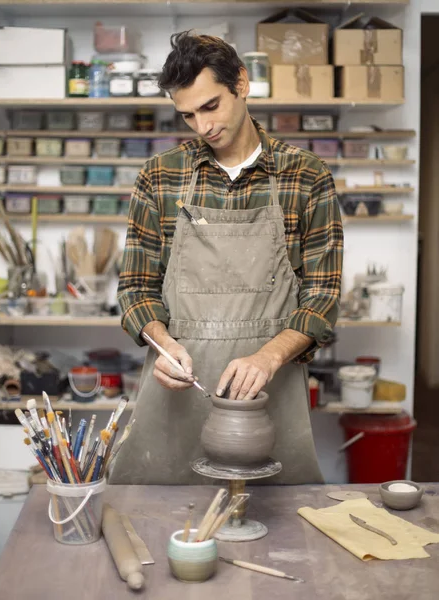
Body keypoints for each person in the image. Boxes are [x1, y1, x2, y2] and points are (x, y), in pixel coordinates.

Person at [109, 32, 343, 485]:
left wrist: (269, 357)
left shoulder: (306, 177)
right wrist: (162, 342)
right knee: (162, 531)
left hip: (269, 399)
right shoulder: (160, 176)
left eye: (210, 106)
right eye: (187, 115)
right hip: (176, 394)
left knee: (282, 536)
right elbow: (135, 289)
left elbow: (323, 297)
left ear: (242, 82)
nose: (202, 127)